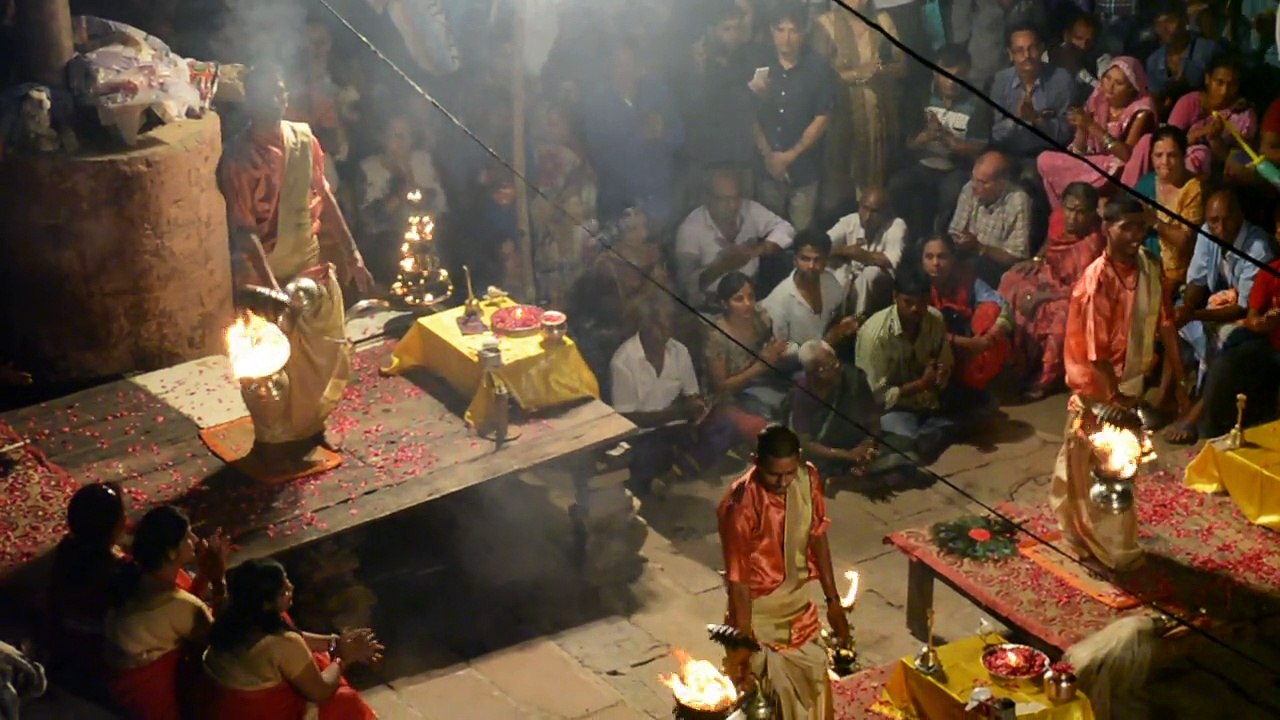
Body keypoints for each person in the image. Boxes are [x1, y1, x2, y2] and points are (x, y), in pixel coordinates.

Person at [219, 64, 373, 462]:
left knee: (320, 349)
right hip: (262, 268)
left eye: (281, 89)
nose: (277, 98)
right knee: (270, 364)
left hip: (307, 259)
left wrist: (352, 253)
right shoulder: (238, 157)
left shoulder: (304, 140)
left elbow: (325, 194)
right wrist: (273, 290)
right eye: (267, 92)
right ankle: (272, 441)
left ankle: (311, 428)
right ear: (251, 101)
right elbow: (244, 230)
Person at [1055, 195, 1188, 572]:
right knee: (1106, 469)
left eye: (1139, 227)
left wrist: (1178, 380)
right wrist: (1114, 401)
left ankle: (1094, 535)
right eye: (1125, 228)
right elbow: (1096, 353)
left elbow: (1164, 323)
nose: (1134, 236)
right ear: (1106, 230)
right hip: (1100, 389)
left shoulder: (1148, 266)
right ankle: (1110, 545)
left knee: (1096, 465)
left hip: (1129, 385)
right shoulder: (1098, 281)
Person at [717, 424, 849, 720]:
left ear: (799, 459)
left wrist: (833, 601)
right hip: (760, 612)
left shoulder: (808, 479)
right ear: (755, 460)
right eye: (774, 474)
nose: (782, 482)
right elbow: (739, 582)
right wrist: (743, 642)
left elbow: (818, 537)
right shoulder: (740, 506)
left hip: (799, 603)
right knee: (775, 698)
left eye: (789, 472)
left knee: (815, 681)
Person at [199, 559, 381, 719]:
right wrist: (342, 658)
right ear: (266, 603)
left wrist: (335, 642)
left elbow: (297, 637)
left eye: (287, 581)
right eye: (284, 590)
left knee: (319, 659)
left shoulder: (233, 617)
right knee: (344, 700)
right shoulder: (280, 643)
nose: (291, 588)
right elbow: (320, 692)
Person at [1164, 189, 1275, 444]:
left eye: (1227, 219)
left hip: (1252, 322)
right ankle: (1170, 398)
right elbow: (1197, 281)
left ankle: (1196, 414)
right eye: (1214, 221)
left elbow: (1244, 308)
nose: (1221, 227)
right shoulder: (1207, 233)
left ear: (1240, 216)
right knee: (1172, 323)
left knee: (1228, 344)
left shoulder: (1258, 248)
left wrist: (1195, 314)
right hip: (1214, 309)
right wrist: (1187, 308)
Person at [104, 506, 228, 720]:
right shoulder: (180, 606)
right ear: (171, 552)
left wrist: (204, 576)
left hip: (121, 692)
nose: (195, 539)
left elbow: (176, 612)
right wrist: (219, 581)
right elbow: (225, 645)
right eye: (187, 535)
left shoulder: (135, 574)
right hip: (158, 707)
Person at [998, 183, 1106, 401]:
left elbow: (1083, 288)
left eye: (1081, 212)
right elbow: (1051, 244)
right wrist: (1037, 259)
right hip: (1052, 275)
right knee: (1012, 280)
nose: (1073, 217)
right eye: (1069, 209)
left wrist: (1041, 297)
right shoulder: (1059, 220)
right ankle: (1009, 359)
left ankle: (1045, 378)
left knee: (1060, 313)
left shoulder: (1094, 243)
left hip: (1079, 295)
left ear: (1093, 213)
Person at [609, 298, 727, 493]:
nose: (668, 330)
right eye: (661, 324)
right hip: (643, 436)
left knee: (724, 427)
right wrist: (677, 413)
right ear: (645, 324)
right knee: (644, 455)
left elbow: (692, 394)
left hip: (676, 428)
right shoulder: (623, 362)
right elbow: (626, 419)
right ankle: (680, 466)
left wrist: (697, 408)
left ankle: (672, 472)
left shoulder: (679, 351)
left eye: (670, 324)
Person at [855, 270, 960, 463]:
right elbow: (872, 397)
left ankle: (929, 432)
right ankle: (927, 435)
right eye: (908, 302)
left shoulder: (935, 319)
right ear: (895, 297)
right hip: (893, 408)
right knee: (908, 441)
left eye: (921, 303)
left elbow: (944, 358)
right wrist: (919, 385)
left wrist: (942, 372)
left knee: (986, 404)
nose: (915, 309)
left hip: (930, 400)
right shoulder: (875, 335)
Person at [751, 3, 837, 231]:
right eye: (780, 30)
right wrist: (769, 155)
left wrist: (789, 156)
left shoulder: (819, 68)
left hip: (805, 169)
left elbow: (822, 117)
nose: (786, 38)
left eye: (793, 31)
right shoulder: (759, 63)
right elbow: (749, 114)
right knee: (768, 236)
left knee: (802, 236)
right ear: (771, 30)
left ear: (804, 31)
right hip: (766, 169)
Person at [580, 38, 683, 228]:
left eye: (630, 64)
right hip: (619, 205)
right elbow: (600, 159)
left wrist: (663, 133)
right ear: (608, 68)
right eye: (618, 65)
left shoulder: (658, 93)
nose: (625, 71)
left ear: (639, 65)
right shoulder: (597, 106)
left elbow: (679, 138)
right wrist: (639, 137)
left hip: (661, 202)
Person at [889, 43, 989, 237]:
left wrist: (950, 141)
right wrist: (926, 136)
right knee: (896, 185)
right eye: (946, 75)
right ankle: (903, 236)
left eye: (958, 76)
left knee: (952, 193)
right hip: (922, 164)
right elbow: (907, 143)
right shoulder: (919, 96)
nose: (951, 82)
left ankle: (942, 238)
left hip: (956, 168)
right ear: (935, 72)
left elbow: (979, 147)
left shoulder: (977, 102)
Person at [812, 0, 906, 206]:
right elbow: (818, 77)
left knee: (876, 181)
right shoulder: (825, 24)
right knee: (840, 187)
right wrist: (857, 73)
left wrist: (881, 70)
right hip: (840, 117)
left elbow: (902, 66)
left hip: (878, 117)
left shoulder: (882, 20)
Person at [1037, 57, 1156, 209]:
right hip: (1094, 164)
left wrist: (1092, 126)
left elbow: (1127, 156)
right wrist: (1082, 127)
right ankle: (1064, 215)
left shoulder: (1141, 110)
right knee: (1044, 160)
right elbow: (1080, 151)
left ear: (1133, 88)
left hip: (1119, 172)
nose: (1109, 86)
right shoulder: (1098, 99)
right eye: (1107, 78)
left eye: (1118, 83)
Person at [46, 483, 128, 700]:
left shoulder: (66, 550)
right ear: (116, 526)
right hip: (100, 659)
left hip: (62, 647)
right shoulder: (122, 570)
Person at [675, 166, 795, 306]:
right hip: (713, 306)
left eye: (735, 197)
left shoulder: (750, 209)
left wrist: (757, 250)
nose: (732, 205)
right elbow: (685, 286)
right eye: (724, 200)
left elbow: (787, 229)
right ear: (708, 198)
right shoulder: (690, 229)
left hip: (753, 296)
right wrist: (722, 266)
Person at [357, 113, 448, 285]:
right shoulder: (369, 170)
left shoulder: (423, 161)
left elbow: (438, 204)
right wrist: (398, 193)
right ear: (384, 138)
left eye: (407, 136)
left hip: (426, 237)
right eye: (397, 136)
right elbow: (371, 219)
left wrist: (412, 179)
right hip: (388, 242)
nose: (403, 142)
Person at [920, 235, 1012, 394]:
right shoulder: (914, 284)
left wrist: (988, 338)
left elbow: (1005, 308)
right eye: (929, 257)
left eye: (942, 257)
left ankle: (976, 381)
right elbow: (918, 330)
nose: (936, 263)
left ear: (953, 259)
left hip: (965, 347)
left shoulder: (966, 278)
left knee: (990, 310)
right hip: (927, 350)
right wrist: (967, 343)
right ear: (921, 260)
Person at [704, 272, 789, 441]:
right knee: (771, 419)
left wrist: (776, 353)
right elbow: (720, 388)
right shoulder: (717, 336)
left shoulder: (760, 318)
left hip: (762, 382)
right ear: (724, 303)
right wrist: (760, 366)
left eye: (751, 297)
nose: (748, 304)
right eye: (739, 299)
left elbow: (769, 350)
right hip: (732, 397)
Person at [788, 339, 879, 485]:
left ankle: (852, 474)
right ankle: (845, 477)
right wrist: (846, 455)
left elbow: (872, 414)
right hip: (827, 452)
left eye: (835, 362)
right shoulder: (802, 394)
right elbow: (806, 442)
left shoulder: (854, 378)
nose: (836, 369)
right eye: (826, 368)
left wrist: (868, 443)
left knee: (899, 459)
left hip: (858, 442)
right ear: (811, 374)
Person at [760, 230, 860, 359]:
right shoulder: (778, 301)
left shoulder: (830, 282)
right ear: (795, 260)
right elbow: (781, 353)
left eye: (817, 259)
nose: (811, 266)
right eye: (805, 259)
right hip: (798, 369)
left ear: (825, 261)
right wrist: (825, 342)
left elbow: (837, 315)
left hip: (833, 355)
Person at [989, 24, 1075, 159]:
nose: (1027, 56)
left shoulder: (1061, 79)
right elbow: (996, 134)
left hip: (1050, 154)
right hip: (1010, 155)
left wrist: (1037, 120)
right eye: (1019, 50)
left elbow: (1067, 132)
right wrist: (1016, 118)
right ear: (1010, 54)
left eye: (1032, 48)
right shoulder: (1001, 80)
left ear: (1041, 49)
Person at [947, 151, 1032, 288]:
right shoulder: (969, 188)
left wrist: (980, 247)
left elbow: (1017, 257)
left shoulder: (1018, 201)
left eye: (982, 182)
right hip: (965, 256)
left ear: (1002, 183)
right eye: (973, 178)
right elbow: (955, 231)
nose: (975, 186)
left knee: (973, 267)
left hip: (996, 267)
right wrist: (958, 241)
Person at [1165, 53, 1256, 177]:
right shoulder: (1190, 102)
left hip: (1216, 177)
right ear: (1207, 79)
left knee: (1202, 155)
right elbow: (1167, 142)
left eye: (1232, 85)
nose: (1224, 91)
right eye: (1219, 83)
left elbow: (1238, 161)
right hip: (1173, 164)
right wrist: (1199, 133)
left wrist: (1215, 140)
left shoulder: (1244, 116)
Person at [1134, 126, 1203, 287]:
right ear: (1151, 157)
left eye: (1172, 155)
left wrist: (1154, 222)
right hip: (1144, 269)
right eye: (1158, 155)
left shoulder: (1193, 189)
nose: (1164, 162)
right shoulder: (1146, 183)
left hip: (1178, 277)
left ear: (1183, 156)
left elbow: (1186, 241)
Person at [825, 187, 904, 317]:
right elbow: (821, 246)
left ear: (885, 213)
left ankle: (860, 320)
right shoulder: (849, 221)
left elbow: (893, 260)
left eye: (874, 211)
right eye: (864, 208)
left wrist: (862, 255)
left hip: (882, 283)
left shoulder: (896, 225)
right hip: (850, 275)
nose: (867, 216)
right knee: (835, 269)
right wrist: (846, 251)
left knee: (870, 274)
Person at [1145, 0, 1221, 117]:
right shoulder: (1153, 61)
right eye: (1158, 23)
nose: (1164, 28)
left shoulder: (1208, 50)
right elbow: (1156, 107)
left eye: (1170, 21)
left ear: (1185, 20)